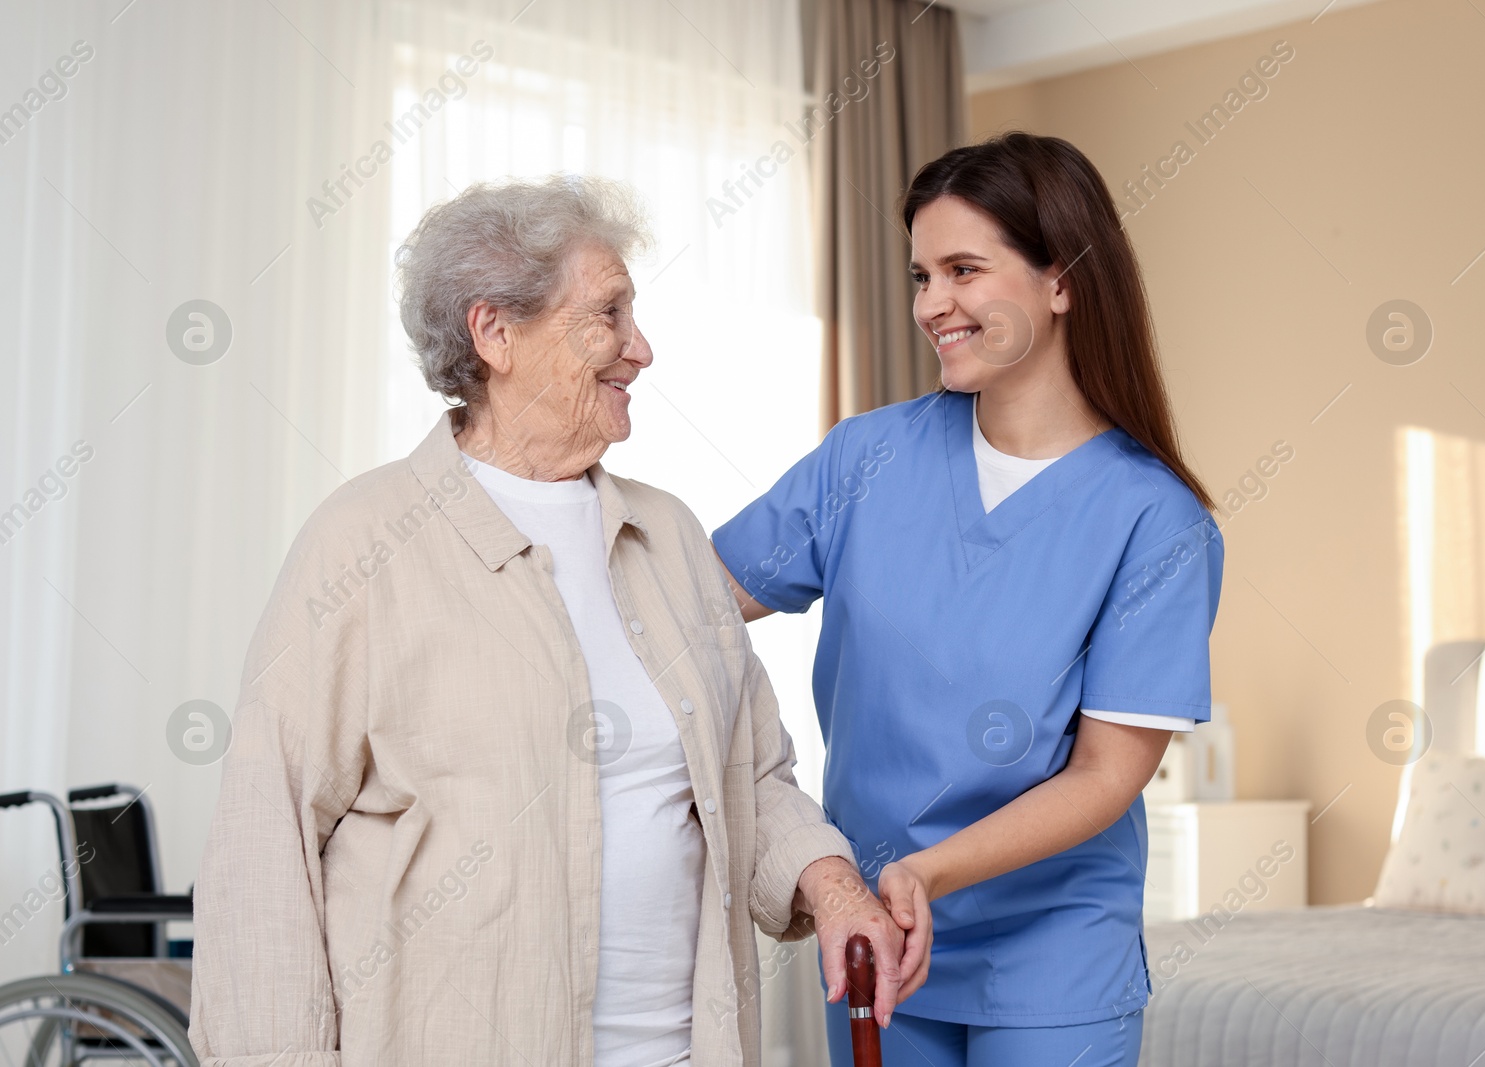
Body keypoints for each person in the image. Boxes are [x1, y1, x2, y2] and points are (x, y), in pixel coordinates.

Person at [189, 175, 917, 1067]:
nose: (640, 348)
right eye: (608, 314)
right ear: (495, 332)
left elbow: (751, 772)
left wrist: (835, 885)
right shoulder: (364, 542)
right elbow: (265, 846)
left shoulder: (671, 536)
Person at [712, 132, 1224, 1067]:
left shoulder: (1154, 518)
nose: (931, 304)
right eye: (920, 275)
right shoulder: (865, 459)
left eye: (962, 269)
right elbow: (689, 603)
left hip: (1051, 961)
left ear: (1061, 279)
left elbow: (1109, 775)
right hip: (879, 941)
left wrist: (926, 872)